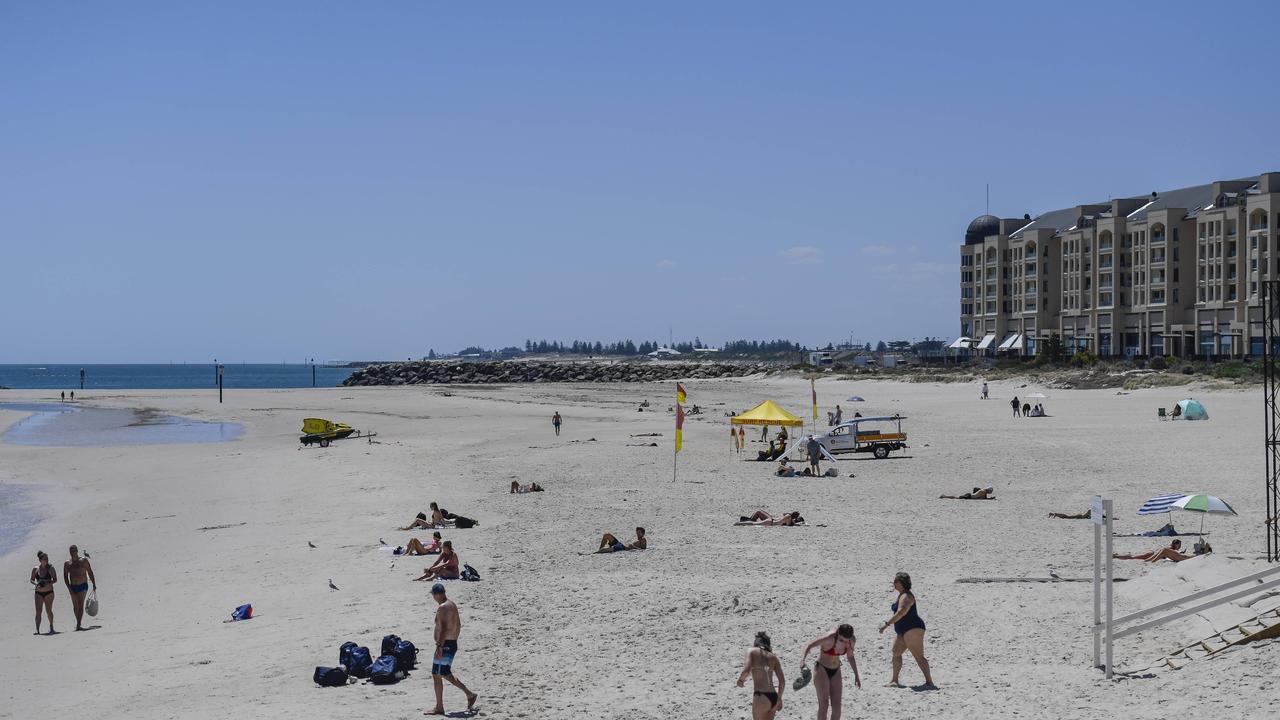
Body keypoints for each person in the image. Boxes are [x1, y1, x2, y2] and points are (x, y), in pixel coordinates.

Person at [426, 583, 477, 715]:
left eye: (433, 595)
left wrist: (439, 646)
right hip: (451, 643)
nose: (433, 598)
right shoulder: (452, 604)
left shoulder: (442, 608)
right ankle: (440, 706)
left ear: (438, 594)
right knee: (439, 673)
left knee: (441, 673)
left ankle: (468, 694)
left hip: (445, 644)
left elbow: (442, 629)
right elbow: (458, 625)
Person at [879, 572, 935, 690]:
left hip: (913, 629)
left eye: (896, 581)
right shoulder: (901, 595)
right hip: (903, 630)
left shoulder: (906, 596)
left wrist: (886, 624)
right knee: (896, 652)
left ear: (902, 583)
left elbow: (901, 612)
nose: (894, 583)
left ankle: (929, 682)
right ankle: (894, 680)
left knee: (918, 656)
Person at [800, 624, 861, 719]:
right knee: (824, 705)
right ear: (838, 634)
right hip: (822, 669)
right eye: (841, 640)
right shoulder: (829, 638)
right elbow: (810, 645)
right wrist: (803, 660)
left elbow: (850, 657)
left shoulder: (851, 641)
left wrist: (856, 675)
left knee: (837, 707)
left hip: (836, 670)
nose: (844, 643)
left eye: (846, 641)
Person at [736, 630, 785, 719]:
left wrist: (741, 680)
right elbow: (782, 681)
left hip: (761, 696)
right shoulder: (773, 657)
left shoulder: (751, 651)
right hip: (773, 697)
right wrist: (779, 698)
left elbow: (746, 670)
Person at [62, 545, 96, 631]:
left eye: (74, 551)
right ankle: (78, 621)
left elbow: (90, 572)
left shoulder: (83, 561)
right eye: (71, 551)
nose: (72, 552)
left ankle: (78, 624)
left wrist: (94, 583)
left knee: (80, 603)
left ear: (77, 551)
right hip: (73, 586)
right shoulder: (67, 563)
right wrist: (69, 588)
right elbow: (65, 577)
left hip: (83, 585)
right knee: (75, 605)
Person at [31, 550, 57, 635]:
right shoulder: (36, 569)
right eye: (45, 559)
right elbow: (31, 580)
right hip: (38, 592)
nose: (47, 560)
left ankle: (51, 626)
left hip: (49, 592)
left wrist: (47, 582)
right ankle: (37, 629)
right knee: (38, 611)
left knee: (48, 610)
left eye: (47, 558)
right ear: (40, 560)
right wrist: (36, 584)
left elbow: (55, 579)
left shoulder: (51, 568)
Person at [736, 510, 803, 526]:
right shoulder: (790, 520)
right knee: (753, 523)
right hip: (771, 521)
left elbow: (784, 515)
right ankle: (742, 522)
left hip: (771, 521)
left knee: (753, 523)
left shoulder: (788, 517)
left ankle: (740, 523)